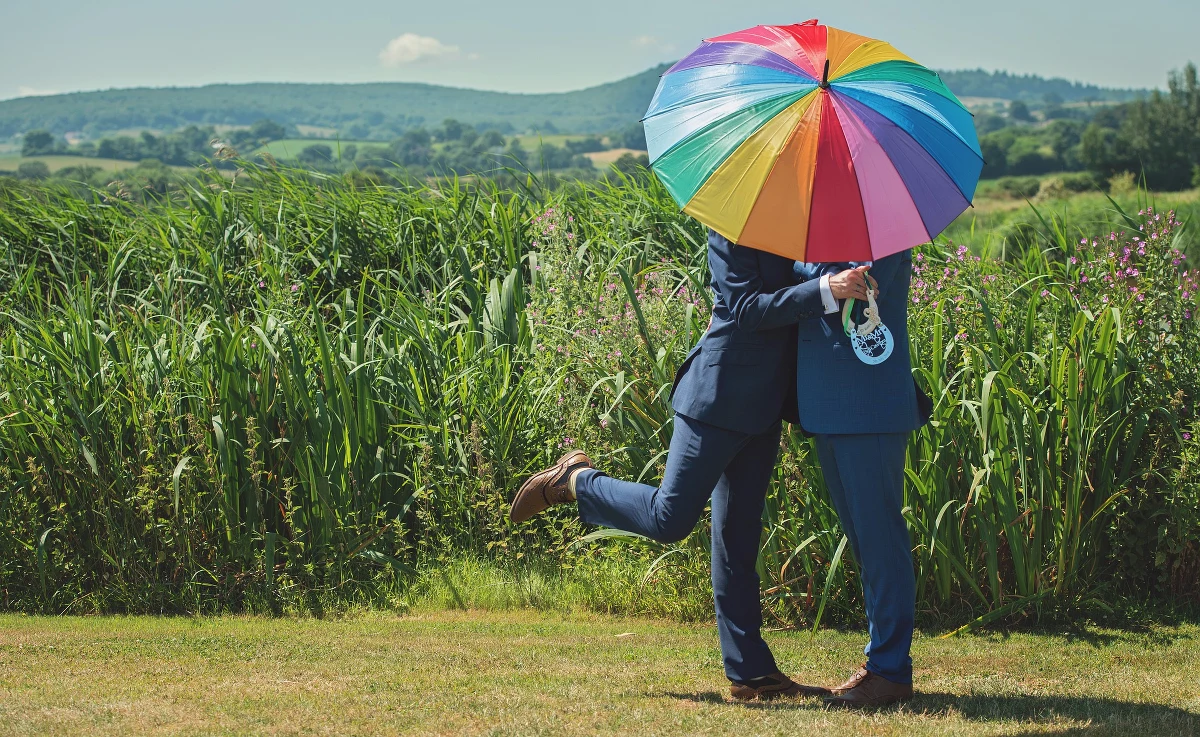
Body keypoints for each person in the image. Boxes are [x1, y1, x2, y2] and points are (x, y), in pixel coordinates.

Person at [509, 228, 873, 701]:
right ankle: (576, 481)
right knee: (669, 518)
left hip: (764, 407)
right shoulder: (733, 226)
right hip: (717, 399)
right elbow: (745, 309)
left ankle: (750, 674)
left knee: (736, 543)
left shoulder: (796, 226)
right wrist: (828, 290)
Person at [793, 252, 931, 709]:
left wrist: (801, 269)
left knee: (880, 539)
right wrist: (820, 277)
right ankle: (880, 661)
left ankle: (890, 670)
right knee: (863, 540)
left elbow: (863, 287)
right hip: (829, 404)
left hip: (868, 404)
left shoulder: (882, 223)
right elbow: (833, 285)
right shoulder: (817, 229)